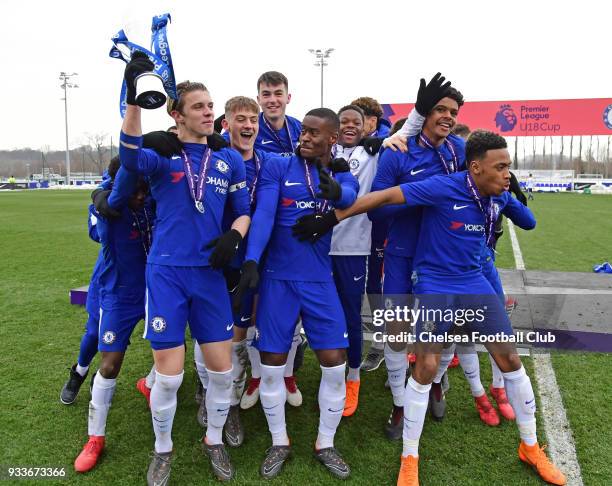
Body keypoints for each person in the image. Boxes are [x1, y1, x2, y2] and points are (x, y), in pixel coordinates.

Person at [292, 130, 566, 486]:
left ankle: (530, 446)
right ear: (475, 167)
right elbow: (386, 195)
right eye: (500, 167)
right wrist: (333, 218)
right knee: (426, 366)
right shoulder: (445, 187)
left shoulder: (498, 195)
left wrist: (516, 195)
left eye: (508, 167)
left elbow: (529, 222)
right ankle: (410, 456)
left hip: (476, 283)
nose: (506, 174)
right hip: (435, 284)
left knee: (511, 361)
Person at [118, 53, 251, 483]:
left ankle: (213, 440)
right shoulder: (162, 154)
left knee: (221, 370)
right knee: (171, 378)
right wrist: (135, 100)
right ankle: (163, 449)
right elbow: (131, 157)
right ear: (177, 114)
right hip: (168, 274)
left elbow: (243, 209)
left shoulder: (229, 158)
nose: (209, 112)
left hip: (210, 276)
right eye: (199, 106)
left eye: (211, 106)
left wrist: (235, 235)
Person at [234, 108, 358, 479]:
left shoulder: (338, 169)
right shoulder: (278, 166)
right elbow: (266, 215)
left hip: (319, 282)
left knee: (335, 365)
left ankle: (326, 443)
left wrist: (339, 193)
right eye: (302, 131)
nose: (304, 138)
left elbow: (350, 194)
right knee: (271, 364)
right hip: (278, 281)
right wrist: (252, 261)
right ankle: (279, 441)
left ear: (332, 139)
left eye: (314, 133)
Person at [367, 74, 465, 437]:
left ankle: (435, 380)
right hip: (402, 255)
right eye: (440, 108)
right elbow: (376, 210)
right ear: (423, 113)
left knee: (445, 328)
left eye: (452, 111)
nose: (447, 116)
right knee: (397, 330)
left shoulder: (459, 151)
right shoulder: (398, 151)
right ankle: (398, 403)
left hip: (444, 258)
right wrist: (416, 194)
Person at [73, 163, 153, 473]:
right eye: (134, 189)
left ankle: (148, 384)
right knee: (108, 364)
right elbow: (105, 204)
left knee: (171, 355)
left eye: (144, 188)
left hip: (155, 288)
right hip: (119, 293)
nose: (141, 195)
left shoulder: (150, 199)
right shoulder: (110, 208)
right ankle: (95, 438)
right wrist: (100, 192)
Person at [241, 70, 304, 408]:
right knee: (253, 309)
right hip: (258, 229)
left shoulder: (300, 129)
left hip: (293, 232)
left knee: (288, 307)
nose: (272, 100)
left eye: (277, 93)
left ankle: (289, 373)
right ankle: (255, 376)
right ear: (259, 98)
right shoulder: (249, 129)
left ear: (288, 96)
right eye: (266, 94)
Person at [330, 104, 379, 416]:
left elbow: (406, 134)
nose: (349, 125)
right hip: (317, 246)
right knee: (318, 314)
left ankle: (353, 377)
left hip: (352, 248)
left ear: (365, 126)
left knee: (350, 315)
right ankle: (327, 372)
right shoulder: (323, 148)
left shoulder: (374, 153)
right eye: (343, 121)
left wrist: (382, 138)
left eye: (355, 122)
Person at [59, 162, 119, 405]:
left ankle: (154, 382)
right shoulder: (104, 202)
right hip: (109, 277)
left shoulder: (150, 196)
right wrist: (102, 196)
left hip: (151, 275)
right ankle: (80, 372)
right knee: (95, 331)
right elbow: (96, 234)